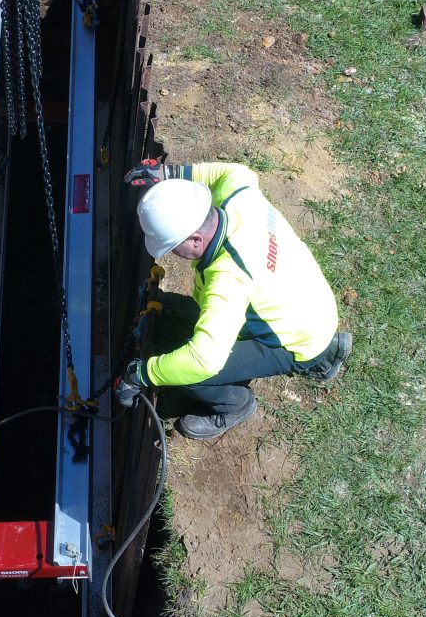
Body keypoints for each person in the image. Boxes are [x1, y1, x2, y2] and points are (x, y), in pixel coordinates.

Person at [115, 161, 352, 440]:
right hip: (311, 302)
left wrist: (142, 374)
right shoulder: (239, 199)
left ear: (194, 239)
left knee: (194, 373)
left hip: (300, 338)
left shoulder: (229, 279)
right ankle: (327, 349)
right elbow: (234, 173)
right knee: (210, 332)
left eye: (171, 247)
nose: (171, 254)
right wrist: (170, 174)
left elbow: (203, 360)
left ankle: (235, 405)